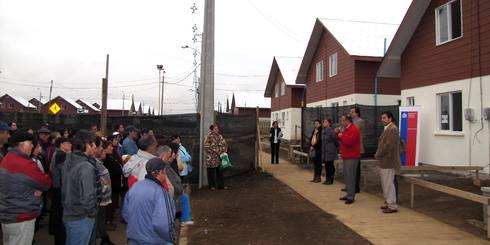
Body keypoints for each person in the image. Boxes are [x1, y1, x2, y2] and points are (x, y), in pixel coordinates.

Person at [0, 132, 52, 245]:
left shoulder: (8, 157)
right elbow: (46, 183)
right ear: (22, 145)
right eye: (30, 143)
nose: (32, 146)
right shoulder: (24, 163)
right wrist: (37, 189)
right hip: (21, 215)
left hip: (8, 213)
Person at [123, 158, 176, 245]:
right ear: (160, 172)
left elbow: (126, 214)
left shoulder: (135, 187)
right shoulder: (161, 193)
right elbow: (163, 223)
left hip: (133, 239)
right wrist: (171, 238)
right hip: (153, 240)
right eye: (164, 171)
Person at [61, 130, 98, 245]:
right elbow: (88, 196)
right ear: (87, 145)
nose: (96, 147)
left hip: (68, 212)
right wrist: (92, 212)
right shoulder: (86, 166)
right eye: (94, 144)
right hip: (81, 216)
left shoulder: (68, 160)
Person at [375, 111, 401, 214]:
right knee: (385, 183)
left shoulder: (393, 129)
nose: (382, 120)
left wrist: (378, 154)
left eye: (384, 118)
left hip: (389, 161)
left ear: (390, 119)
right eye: (382, 118)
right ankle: (388, 202)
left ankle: (392, 206)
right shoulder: (388, 128)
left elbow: (388, 146)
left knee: (388, 184)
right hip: (384, 160)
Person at [49, 137, 72, 245]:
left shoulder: (59, 154)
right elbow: (66, 170)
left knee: (58, 216)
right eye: (68, 143)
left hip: (57, 187)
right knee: (60, 218)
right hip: (60, 189)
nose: (70, 145)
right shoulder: (61, 155)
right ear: (62, 144)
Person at [335, 114, 361, 205]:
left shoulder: (353, 129)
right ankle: (349, 194)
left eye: (342, 120)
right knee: (347, 176)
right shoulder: (347, 129)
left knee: (351, 176)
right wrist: (338, 135)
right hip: (347, 155)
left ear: (347, 121)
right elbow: (343, 140)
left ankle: (351, 196)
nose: (341, 122)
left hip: (352, 156)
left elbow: (349, 141)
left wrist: (340, 135)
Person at [94, 139, 114, 245]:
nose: (104, 151)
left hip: (103, 199)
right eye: (102, 149)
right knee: (99, 219)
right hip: (100, 199)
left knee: (101, 219)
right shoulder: (96, 165)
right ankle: (103, 238)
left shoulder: (100, 163)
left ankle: (103, 237)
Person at [104, 135, 123, 230]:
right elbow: (115, 169)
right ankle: (107, 221)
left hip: (115, 184)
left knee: (113, 203)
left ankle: (109, 220)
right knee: (110, 205)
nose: (112, 147)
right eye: (110, 146)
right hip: (111, 185)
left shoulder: (111, 155)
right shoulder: (106, 159)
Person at [204, 124, 228, 190]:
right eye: (215, 129)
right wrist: (215, 151)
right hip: (211, 158)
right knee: (211, 172)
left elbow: (225, 144)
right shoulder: (208, 137)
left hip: (219, 157)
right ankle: (212, 186)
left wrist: (222, 151)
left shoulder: (220, 136)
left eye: (217, 128)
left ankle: (221, 185)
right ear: (212, 130)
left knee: (220, 172)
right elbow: (206, 147)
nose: (217, 130)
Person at [350, 106, 365, 193]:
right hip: (351, 147)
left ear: (357, 113)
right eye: (350, 112)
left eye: (352, 112)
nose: (351, 113)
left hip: (358, 147)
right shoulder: (351, 122)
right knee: (350, 168)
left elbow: (354, 131)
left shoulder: (360, 121)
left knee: (356, 168)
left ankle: (356, 187)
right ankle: (350, 185)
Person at [321, 118, 338, 185]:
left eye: (325, 122)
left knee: (330, 164)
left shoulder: (331, 131)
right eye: (323, 122)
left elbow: (335, 140)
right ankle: (327, 179)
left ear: (329, 123)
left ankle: (331, 179)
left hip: (330, 150)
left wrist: (335, 147)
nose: (324, 123)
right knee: (326, 165)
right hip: (325, 150)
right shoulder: (323, 131)